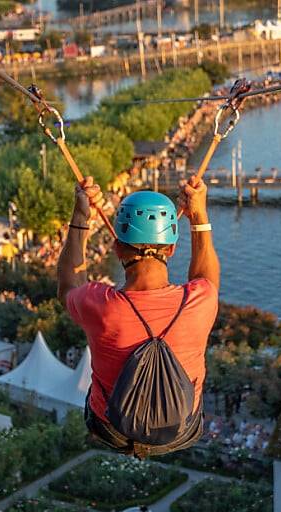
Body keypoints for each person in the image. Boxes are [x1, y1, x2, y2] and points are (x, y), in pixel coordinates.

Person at [58, 176, 219, 458]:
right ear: (170, 249)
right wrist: (198, 215)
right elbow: (206, 278)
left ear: (117, 248)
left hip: (111, 428)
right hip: (181, 429)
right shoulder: (199, 301)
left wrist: (81, 215)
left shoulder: (99, 304)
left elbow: (70, 287)